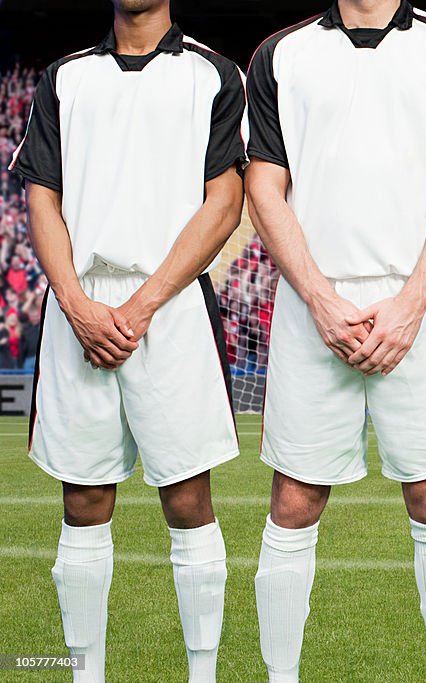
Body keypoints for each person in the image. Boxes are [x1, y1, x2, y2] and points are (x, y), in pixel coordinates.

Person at [244, 1, 426, 680]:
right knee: (294, 499)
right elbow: (264, 186)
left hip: (419, 299)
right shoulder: (281, 54)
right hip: (310, 299)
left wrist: (411, 305)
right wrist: (320, 298)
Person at [8, 0, 246, 680]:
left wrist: (141, 305)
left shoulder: (213, 74)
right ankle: (87, 672)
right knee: (83, 499)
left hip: (168, 305)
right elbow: (41, 197)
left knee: (188, 497)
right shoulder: (65, 77)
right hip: (77, 302)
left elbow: (224, 203)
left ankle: (202, 671)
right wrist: (78, 304)